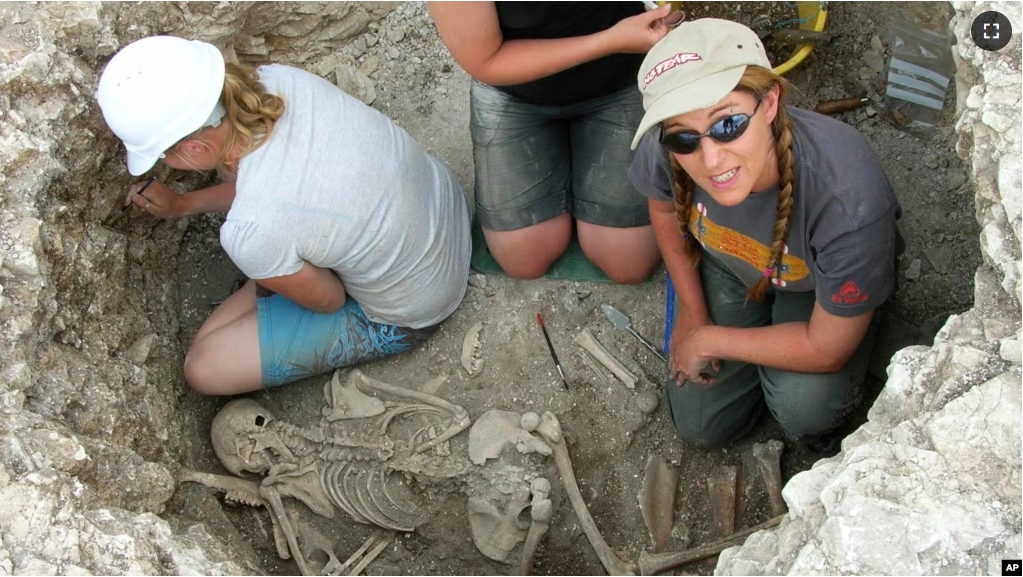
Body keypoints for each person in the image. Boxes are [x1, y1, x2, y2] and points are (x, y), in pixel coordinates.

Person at [96, 36, 471, 395]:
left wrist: (263, 262)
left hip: (416, 308)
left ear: (194, 147)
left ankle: (277, 270)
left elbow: (330, 300)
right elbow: (273, 188)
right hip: (443, 204)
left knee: (202, 365)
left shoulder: (252, 229)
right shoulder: (278, 80)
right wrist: (184, 204)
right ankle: (280, 267)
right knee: (276, 247)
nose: (169, 164)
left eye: (166, 155)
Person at [628, 19, 901, 448]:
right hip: (730, 263)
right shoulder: (667, 146)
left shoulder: (849, 203)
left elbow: (826, 347)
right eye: (685, 139)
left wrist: (710, 338)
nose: (712, 159)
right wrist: (691, 307)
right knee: (700, 428)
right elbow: (662, 205)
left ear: (770, 101)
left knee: (803, 407)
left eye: (728, 124)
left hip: (810, 286)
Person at [428, 2, 682, 284]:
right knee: (524, 259)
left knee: (629, 263)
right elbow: (484, 59)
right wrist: (609, 41)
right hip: (514, 90)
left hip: (621, 75)